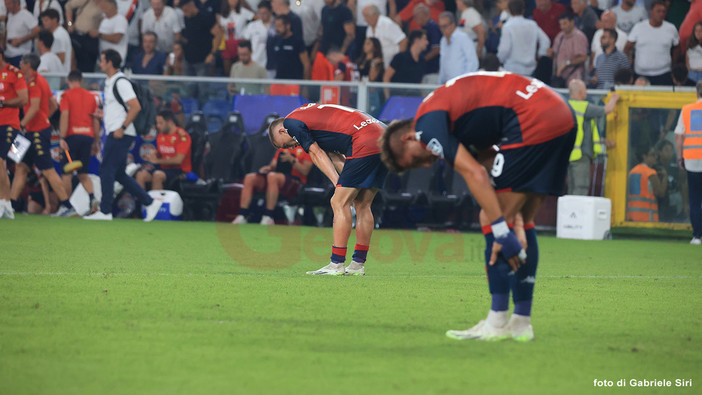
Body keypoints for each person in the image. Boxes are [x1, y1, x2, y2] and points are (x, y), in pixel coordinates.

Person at [378, 72, 577, 341]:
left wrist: (501, 229)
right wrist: (512, 220)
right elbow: (492, 164)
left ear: (408, 138)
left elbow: (477, 175)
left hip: (532, 119)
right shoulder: (456, 121)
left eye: (415, 160)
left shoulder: (427, 125)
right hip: (562, 115)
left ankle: (495, 323)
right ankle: (520, 322)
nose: (426, 165)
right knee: (523, 220)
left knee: (489, 218)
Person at [268, 103, 389, 276]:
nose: (292, 148)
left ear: (282, 131)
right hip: (384, 137)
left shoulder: (290, 123)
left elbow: (316, 153)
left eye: (285, 146)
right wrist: (344, 183)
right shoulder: (311, 119)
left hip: (364, 139)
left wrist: (337, 184)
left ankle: (337, 264)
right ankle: (357, 265)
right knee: (362, 204)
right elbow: (336, 157)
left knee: (338, 202)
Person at [84, 49, 162, 221]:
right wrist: (105, 115)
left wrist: (122, 127)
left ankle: (105, 211)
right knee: (119, 174)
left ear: (110, 62)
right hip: (118, 131)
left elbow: (135, 106)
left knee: (106, 170)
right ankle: (149, 202)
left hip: (121, 133)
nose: (100, 64)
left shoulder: (120, 82)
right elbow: (121, 108)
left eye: (103, 60)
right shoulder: (111, 81)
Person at [9, 54, 75, 217]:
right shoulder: (41, 80)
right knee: (21, 168)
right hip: (33, 132)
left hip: (35, 133)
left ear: (28, 65)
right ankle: (9, 205)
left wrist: (22, 125)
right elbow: (53, 104)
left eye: (21, 62)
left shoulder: (33, 83)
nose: (19, 64)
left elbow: (34, 108)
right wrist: (45, 118)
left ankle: (67, 205)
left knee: (47, 170)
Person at [232, 146, 313, 225]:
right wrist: (267, 168)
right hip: (277, 178)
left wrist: (291, 159)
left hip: (296, 182)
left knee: (272, 176)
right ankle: (242, 215)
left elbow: (305, 171)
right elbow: (273, 166)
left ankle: (268, 216)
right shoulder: (283, 148)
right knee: (249, 178)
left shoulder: (306, 148)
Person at [567, 79, 618, 195]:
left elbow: (583, 133)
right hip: (580, 156)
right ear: (580, 92)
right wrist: (614, 98)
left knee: (572, 188)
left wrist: (603, 141)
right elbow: (608, 109)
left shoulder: (566, 105)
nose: (586, 92)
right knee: (581, 187)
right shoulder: (583, 106)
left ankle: (570, 212)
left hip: (569, 155)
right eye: (585, 89)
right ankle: (577, 213)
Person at [59, 69, 101, 211]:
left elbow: (65, 116)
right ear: (81, 81)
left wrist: (62, 137)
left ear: (68, 81)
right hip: (87, 137)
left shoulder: (66, 95)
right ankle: (92, 198)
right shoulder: (91, 97)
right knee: (83, 173)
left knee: (67, 173)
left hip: (72, 138)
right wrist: (96, 141)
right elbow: (95, 121)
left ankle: (67, 207)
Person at [0, 47, 28, 219]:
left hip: (9, 124)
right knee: (1, 165)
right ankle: (6, 203)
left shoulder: (14, 73)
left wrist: (3, 103)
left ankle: (5, 202)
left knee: (1, 162)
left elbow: (24, 99)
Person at [624, 0, 679, 86]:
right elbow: (627, 47)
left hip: (664, 73)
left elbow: (677, 47)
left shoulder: (671, 28)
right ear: (651, 12)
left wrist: (673, 63)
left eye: (663, 11)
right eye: (658, 11)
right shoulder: (639, 27)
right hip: (641, 74)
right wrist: (630, 62)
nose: (661, 14)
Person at [135, 110, 192, 191]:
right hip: (164, 169)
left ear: (170, 122)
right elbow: (161, 153)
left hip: (179, 171)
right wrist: (153, 155)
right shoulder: (160, 135)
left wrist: (157, 161)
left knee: (157, 175)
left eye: (161, 123)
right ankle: (141, 202)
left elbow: (178, 160)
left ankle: (156, 203)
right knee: (140, 175)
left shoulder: (182, 136)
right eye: (157, 123)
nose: (158, 126)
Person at [674, 81, 702, 244]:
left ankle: (697, 236)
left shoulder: (687, 110)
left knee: (694, 198)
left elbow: (679, 136)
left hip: (692, 159)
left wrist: (680, 157)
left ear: (697, 93)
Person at [497, 0, 550, 77]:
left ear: (510, 10)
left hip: (512, 69)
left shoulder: (507, 27)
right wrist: (540, 54)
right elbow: (545, 41)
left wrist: (499, 60)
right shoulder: (532, 24)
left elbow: (505, 49)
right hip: (531, 69)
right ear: (523, 10)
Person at [179, 0, 223, 76]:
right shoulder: (185, 18)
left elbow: (219, 35)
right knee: (188, 85)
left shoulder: (206, 17)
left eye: (186, 10)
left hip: (203, 60)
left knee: (203, 86)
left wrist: (212, 53)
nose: (185, 13)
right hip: (187, 59)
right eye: (183, 11)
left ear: (191, 5)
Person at [627, 145, 666, 222]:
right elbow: (660, 193)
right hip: (647, 217)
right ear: (644, 156)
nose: (655, 157)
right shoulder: (650, 173)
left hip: (631, 216)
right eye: (652, 155)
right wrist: (665, 177)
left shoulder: (632, 172)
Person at [549, 12, 588, 87]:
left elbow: (583, 57)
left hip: (574, 78)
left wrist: (566, 63)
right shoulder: (560, 36)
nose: (562, 27)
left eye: (565, 23)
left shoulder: (579, 37)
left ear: (572, 22)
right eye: (560, 24)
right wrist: (550, 53)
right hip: (559, 77)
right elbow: (555, 54)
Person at [438, 11, 478, 84]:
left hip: (462, 84)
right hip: (447, 85)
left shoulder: (463, 38)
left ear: (452, 25)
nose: (442, 29)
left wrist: (464, 81)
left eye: (444, 26)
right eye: (440, 27)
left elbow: (473, 62)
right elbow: (443, 63)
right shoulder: (443, 41)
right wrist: (440, 83)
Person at [65, 0, 103, 72]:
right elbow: (68, 6)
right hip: (77, 35)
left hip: (90, 39)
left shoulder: (106, 5)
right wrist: (70, 24)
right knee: (72, 61)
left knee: (87, 66)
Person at [219, 0, 255, 76]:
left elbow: (256, 18)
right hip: (227, 43)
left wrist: (247, 31)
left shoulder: (243, 11)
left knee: (240, 68)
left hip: (240, 42)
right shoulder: (223, 13)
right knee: (227, 70)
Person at [272, 14, 311, 80]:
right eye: (275, 26)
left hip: (294, 81)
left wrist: (305, 84)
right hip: (278, 81)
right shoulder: (276, 40)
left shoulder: (297, 41)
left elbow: (306, 64)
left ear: (288, 26)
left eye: (279, 26)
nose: (276, 29)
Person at [243, 0, 275, 75]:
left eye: (264, 13)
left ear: (270, 12)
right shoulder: (252, 26)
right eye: (260, 13)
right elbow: (245, 43)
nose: (262, 15)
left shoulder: (276, 25)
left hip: (272, 65)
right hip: (255, 62)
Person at [4, 0, 39, 67]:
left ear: (17, 3)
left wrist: (21, 40)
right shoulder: (9, 15)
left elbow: (36, 30)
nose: (7, 6)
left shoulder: (26, 15)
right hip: (8, 54)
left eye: (9, 4)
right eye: (5, 4)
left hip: (21, 55)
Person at [411, 3, 440, 84]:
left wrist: (422, 60)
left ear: (423, 14)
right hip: (426, 70)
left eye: (416, 16)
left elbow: (436, 49)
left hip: (432, 71)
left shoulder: (433, 27)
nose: (415, 19)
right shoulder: (425, 28)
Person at [40, 8, 71, 74]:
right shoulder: (57, 33)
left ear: (54, 20)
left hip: (59, 75)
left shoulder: (59, 35)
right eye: (43, 21)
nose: (44, 23)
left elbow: (61, 58)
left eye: (46, 20)